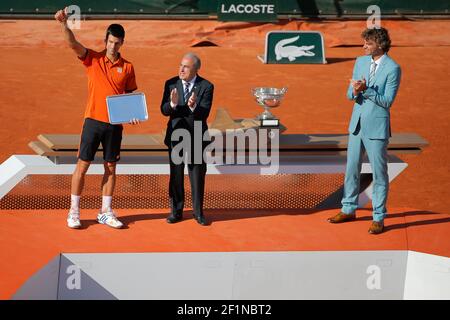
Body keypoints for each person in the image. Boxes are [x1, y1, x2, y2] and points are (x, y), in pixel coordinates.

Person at [55, 7, 139, 229]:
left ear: (122, 43)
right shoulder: (92, 58)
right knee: (82, 166)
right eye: (110, 42)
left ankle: (105, 212)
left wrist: (132, 115)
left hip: (114, 126)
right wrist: (64, 24)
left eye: (117, 43)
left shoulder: (128, 67)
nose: (113, 46)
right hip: (92, 121)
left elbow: (129, 98)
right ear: (105, 40)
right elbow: (73, 43)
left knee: (111, 168)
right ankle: (73, 212)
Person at [328, 27, 401, 234]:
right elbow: (349, 96)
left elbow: (387, 101)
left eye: (368, 44)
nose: (364, 46)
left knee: (379, 173)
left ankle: (378, 217)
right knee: (351, 169)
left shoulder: (393, 68)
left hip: (377, 127)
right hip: (356, 125)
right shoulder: (360, 62)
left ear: (379, 44)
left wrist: (365, 90)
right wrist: (354, 89)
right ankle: (348, 209)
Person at [160, 53, 214, 226]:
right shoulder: (171, 83)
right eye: (180, 65)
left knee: (197, 176)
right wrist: (173, 104)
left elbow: (204, 113)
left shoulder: (206, 86)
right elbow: (164, 109)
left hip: (197, 135)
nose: (181, 69)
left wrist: (193, 106)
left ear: (196, 69)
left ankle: (198, 213)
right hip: (176, 136)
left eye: (186, 67)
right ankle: (176, 212)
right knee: (176, 175)